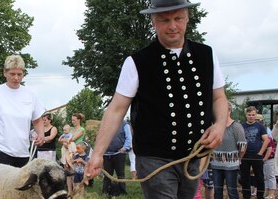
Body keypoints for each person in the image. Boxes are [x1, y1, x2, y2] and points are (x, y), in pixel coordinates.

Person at [84, 0, 229, 198]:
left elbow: (219, 98)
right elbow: (116, 109)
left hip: (193, 157)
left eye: (178, 18)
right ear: (154, 22)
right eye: (164, 20)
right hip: (154, 159)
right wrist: (97, 154)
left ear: (187, 19)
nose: (172, 26)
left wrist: (220, 125)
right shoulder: (136, 62)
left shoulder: (206, 55)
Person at [0, 55, 45, 167]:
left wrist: (41, 133)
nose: (16, 78)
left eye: (19, 74)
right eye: (12, 74)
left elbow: (37, 120)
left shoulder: (30, 94)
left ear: (23, 74)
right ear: (4, 72)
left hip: (23, 152)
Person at [210, 103, 247, 199]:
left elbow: (242, 147)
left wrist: (239, 159)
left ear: (229, 111)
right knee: (217, 191)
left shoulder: (236, 126)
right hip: (216, 164)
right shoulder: (214, 126)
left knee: (232, 190)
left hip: (231, 164)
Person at [240, 106, 269, 199]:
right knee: (244, 178)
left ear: (256, 115)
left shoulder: (260, 126)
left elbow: (266, 140)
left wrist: (260, 152)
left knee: (259, 177)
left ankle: (260, 196)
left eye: (253, 115)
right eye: (249, 115)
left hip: (257, 155)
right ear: (246, 115)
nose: (251, 116)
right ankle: (246, 196)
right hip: (244, 155)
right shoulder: (241, 126)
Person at [102, 120, 132, 197]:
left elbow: (128, 137)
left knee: (120, 174)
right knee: (107, 174)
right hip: (106, 154)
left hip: (119, 153)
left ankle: (122, 192)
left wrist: (125, 148)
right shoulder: (106, 123)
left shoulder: (124, 124)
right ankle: (105, 191)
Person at [263, 134, 276, 199]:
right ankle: (266, 192)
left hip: (269, 158)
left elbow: (270, 149)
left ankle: (272, 194)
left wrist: (264, 159)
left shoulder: (268, 138)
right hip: (262, 159)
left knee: (270, 176)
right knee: (265, 176)